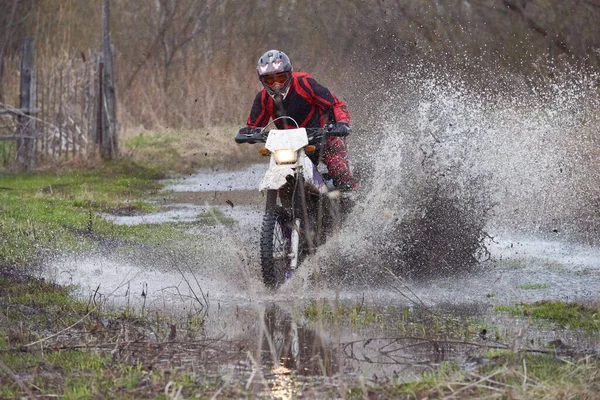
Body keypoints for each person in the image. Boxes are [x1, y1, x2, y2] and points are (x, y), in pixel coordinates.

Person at [236, 49, 355, 190]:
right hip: (291, 145)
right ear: (262, 81)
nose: (276, 85)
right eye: (269, 80)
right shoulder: (263, 98)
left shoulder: (305, 84)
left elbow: (336, 105)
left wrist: (342, 123)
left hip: (324, 136)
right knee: (279, 171)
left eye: (280, 79)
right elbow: (254, 126)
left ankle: (351, 199)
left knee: (338, 167)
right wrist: (248, 133)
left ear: (289, 74)